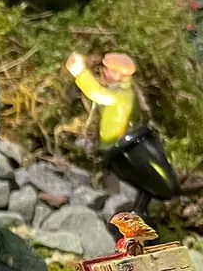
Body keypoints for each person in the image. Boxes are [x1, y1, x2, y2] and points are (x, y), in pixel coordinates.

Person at [64, 51, 176, 202]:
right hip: (112, 144)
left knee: (115, 174)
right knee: (112, 173)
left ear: (119, 74)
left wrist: (80, 73)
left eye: (108, 69)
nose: (104, 71)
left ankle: (116, 202)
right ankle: (116, 200)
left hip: (117, 145)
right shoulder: (123, 91)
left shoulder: (121, 94)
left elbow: (97, 93)